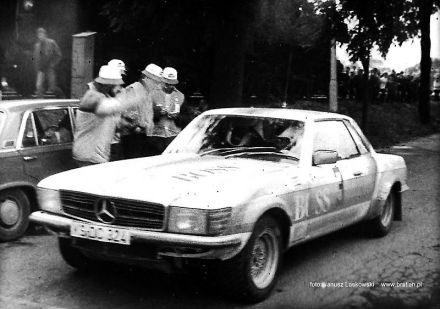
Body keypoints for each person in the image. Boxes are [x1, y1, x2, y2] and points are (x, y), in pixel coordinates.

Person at [72, 65, 132, 167]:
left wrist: (123, 124)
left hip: (96, 156)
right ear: (107, 85)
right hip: (89, 157)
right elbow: (110, 107)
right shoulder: (92, 96)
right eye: (116, 85)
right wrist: (136, 98)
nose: (119, 88)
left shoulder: (104, 96)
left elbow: (108, 121)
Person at [119, 63, 163, 158]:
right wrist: (136, 126)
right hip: (133, 136)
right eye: (156, 82)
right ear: (146, 78)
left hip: (144, 135)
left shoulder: (147, 92)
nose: (158, 85)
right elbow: (127, 114)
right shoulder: (134, 89)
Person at [147, 67, 185, 155]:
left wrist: (177, 116)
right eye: (167, 84)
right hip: (155, 135)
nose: (170, 86)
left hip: (173, 135)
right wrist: (158, 113)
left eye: (173, 84)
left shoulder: (180, 96)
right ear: (162, 80)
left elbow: (186, 116)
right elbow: (145, 113)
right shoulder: (152, 93)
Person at [33, 27, 64, 98]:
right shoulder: (37, 46)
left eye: (42, 34)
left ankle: (61, 96)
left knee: (52, 87)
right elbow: (35, 58)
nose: (40, 36)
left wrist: (53, 64)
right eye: (39, 35)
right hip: (41, 69)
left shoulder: (51, 42)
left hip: (49, 67)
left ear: (45, 35)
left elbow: (58, 55)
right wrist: (36, 69)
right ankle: (40, 101)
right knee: (38, 86)